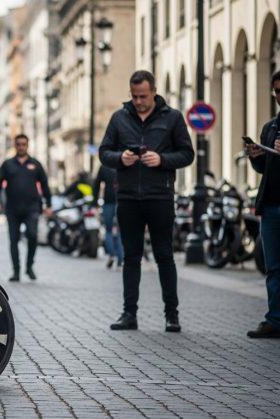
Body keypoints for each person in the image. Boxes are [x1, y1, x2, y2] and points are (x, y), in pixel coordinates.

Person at [99, 70, 194, 333]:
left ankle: (171, 315)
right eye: (134, 96)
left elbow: (187, 154)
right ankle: (129, 314)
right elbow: (104, 153)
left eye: (143, 96)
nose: (139, 101)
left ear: (154, 91)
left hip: (160, 196)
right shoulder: (119, 118)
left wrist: (162, 160)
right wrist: (121, 159)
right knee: (131, 258)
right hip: (128, 198)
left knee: (165, 256)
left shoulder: (172, 118)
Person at [245, 70, 280, 339]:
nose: (279, 96)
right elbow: (264, 168)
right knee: (273, 267)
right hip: (271, 204)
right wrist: (256, 156)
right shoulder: (270, 127)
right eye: (277, 91)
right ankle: (275, 319)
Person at [0, 134, 52, 281]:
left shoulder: (35, 164)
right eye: (18, 144)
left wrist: (48, 204)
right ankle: (16, 271)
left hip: (32, 208)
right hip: (12, 208)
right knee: (13, 240)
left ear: (27, 145)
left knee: (32, 235)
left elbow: (45, 185)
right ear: (15, 145)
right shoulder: (7, 164)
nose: (21, 147)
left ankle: (29, 266)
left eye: (24, 144)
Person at [93, 165, 123, 269]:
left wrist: (95, 204)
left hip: (109, 202)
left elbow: (96, 185)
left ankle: (111, 254)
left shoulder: (105, 165)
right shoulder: (126, 160)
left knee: (109, 230)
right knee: (120, 231)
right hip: (123, 201)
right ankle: (120, 259)